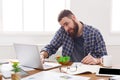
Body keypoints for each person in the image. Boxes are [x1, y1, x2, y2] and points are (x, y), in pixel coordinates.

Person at [40, 9, 107, 65]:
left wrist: (96, 60)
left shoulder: (94, 33)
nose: (66, 29)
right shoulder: (63, 31)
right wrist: (42, 55)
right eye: (63, 26)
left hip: (89, 73)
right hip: (69, 71)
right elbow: (51, 47)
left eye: (66, 24)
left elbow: (104, 58)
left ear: (73, 17)